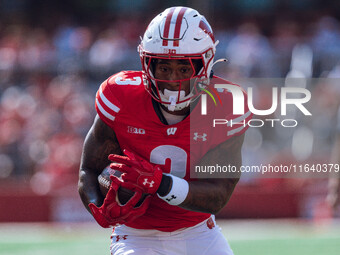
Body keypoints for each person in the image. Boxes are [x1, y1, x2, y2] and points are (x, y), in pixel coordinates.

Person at [78, 6, 252, 254]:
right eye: (164, 68)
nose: (173, 80)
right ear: (148, 65)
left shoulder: (227, 104)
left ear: (205, 65)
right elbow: (89, 169)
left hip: (199, 232)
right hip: (136, 235)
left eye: (183, 69)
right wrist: (99, 207)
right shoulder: (121, 96)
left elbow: (219, 193)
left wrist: (162, 184)